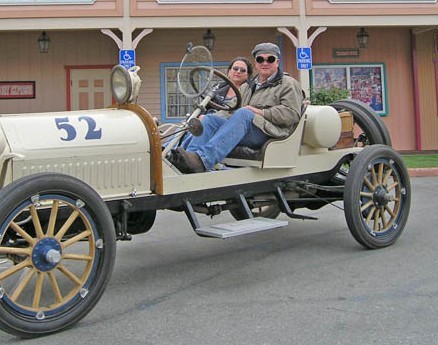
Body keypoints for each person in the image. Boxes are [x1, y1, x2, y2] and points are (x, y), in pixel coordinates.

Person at [169, 42, 303, 174]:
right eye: (260, 59)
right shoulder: (248, 86)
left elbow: (292, 115)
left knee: (244, 113)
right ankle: (191, 160)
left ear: (277, 62)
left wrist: (261, 112)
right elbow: (230, 110)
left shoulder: (288, 84)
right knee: (210, 119)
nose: (265, 63)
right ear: (256, 63)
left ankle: (203, 159)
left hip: (271, 131)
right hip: (248, 129)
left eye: (270, 59)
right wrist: (211, 117)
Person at [178, 57, 253, 148]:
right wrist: (200, 116)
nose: (238, 72)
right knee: (187, 124)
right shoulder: (218, 87)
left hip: (227, 125)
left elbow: (241, 115)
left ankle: (187, 152)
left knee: (205, 122)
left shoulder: (249, 91)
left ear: (248, 75)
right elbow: (207, 105)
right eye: (235, 68)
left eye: (243, 70)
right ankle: (166, 150)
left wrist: (207, 118)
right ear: (229, 71)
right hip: (209, 119)